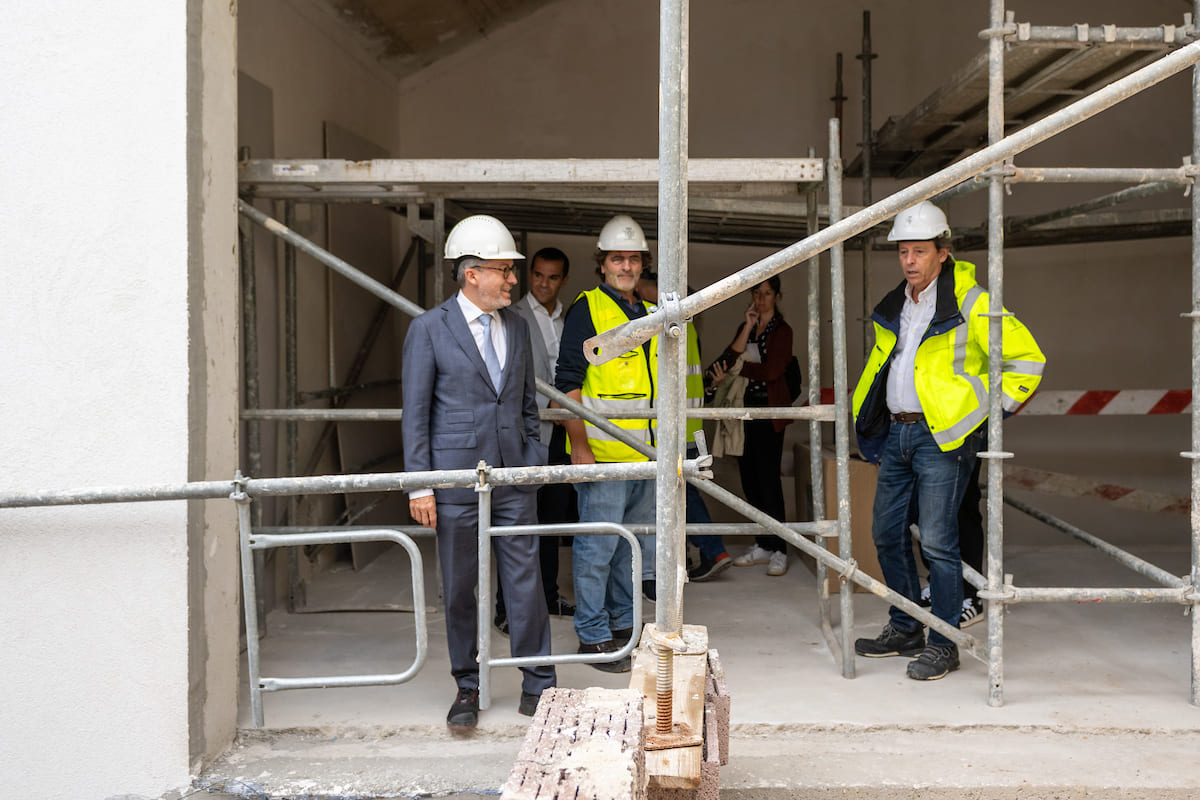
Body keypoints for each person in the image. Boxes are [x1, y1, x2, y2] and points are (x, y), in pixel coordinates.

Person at [851, 201, 1044, 681]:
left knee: (938, 542)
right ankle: (905, 625)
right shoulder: (897, 304)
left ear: (943, 252)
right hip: (898, 431)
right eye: (903, 252)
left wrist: (990, 411)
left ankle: (944, 642)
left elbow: (1027, 358)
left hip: (942, 438)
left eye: (920, 251)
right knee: (885, 534)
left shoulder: (972, 300)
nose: (910, 261)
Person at [401, 214, 555, 728]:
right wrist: (420, 484)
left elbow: (526, 404)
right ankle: (468, 685)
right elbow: (416, 414)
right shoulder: (427, 330)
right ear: (472, 274)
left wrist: (533, 459)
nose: (513, 279)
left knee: (525, 580)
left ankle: (540, 682)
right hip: (454, 480)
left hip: (513, 477)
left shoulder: (516, 324)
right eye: (504, 270)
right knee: (461, 584)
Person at [555, 214, 658, 673]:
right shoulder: (588, 308)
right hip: (602, 454)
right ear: (603, 264)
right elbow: (568, 384)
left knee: (629, 552)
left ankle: (623, 627)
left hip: (646, 457)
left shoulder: (650, 313)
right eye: (618, 258)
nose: (626, 266)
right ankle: (593, 636)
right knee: (597, 551)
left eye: (633, 259)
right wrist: (580, 446)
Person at [493, 247, 577, 635]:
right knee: (518, 521)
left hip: (565, 431)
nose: (544, 284)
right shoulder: (510, 316)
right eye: (538, 276)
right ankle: (506, 606)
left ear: (563, 280)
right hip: (527, 432)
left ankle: (546, 594)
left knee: (553, 519)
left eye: (553, 277)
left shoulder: (570, 317)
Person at [638, 271, 732, 583]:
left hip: (675, 426)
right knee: (685, 489)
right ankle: (704, 551)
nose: (640, 299)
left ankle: (711, 550)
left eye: (644, 292)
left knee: (680, 492)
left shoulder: (667, 327)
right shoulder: (688, 328)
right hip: (691, 423)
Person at [708, 276, 795, 577]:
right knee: (750, 482)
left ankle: (780, 548)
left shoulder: (782, 331)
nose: (760, 299)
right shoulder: (748, 326)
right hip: (743, 415)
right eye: (756, 293)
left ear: (778, 296)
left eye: (767, 293)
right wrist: (746, 326)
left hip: (768, 416)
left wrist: (737, 367)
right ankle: (763, 543)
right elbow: (727, 356)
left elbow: (772, 371)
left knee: (769, 482)